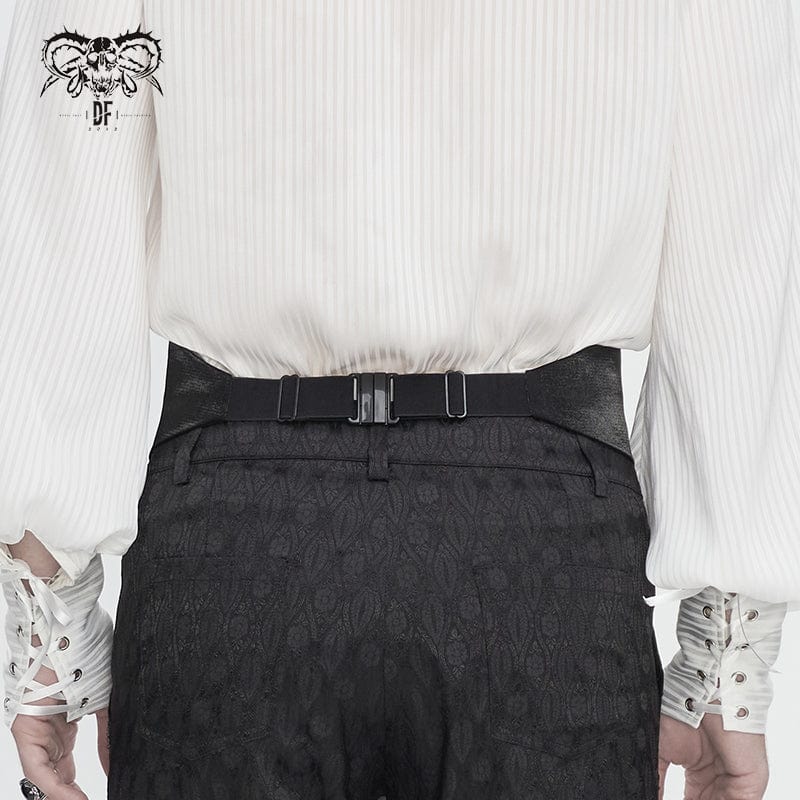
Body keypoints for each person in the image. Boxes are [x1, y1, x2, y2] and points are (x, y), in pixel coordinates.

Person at [0, 2, 797, 799]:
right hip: (540, 547)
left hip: (238, 538)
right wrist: (727, 657)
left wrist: (50, 626)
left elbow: (66, 179)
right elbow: (736, 205)